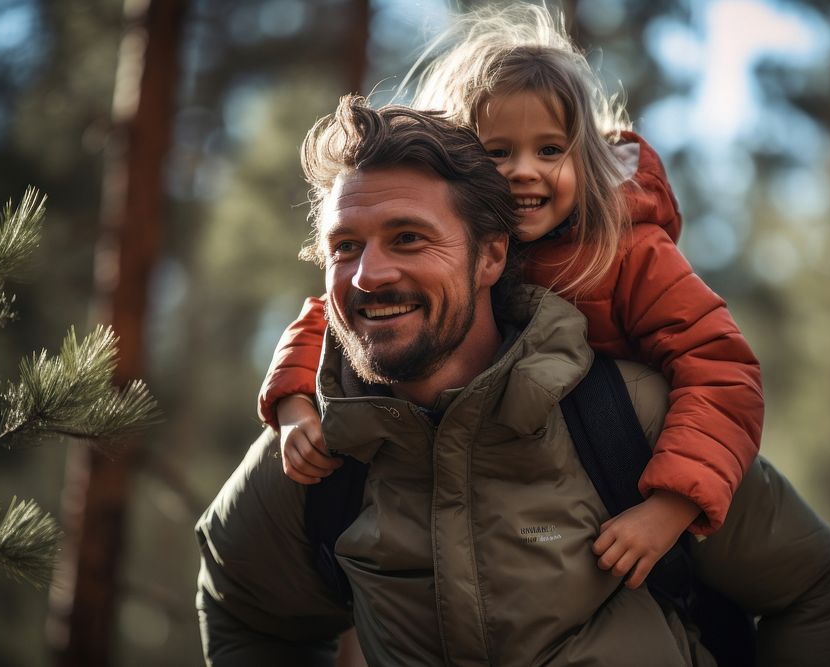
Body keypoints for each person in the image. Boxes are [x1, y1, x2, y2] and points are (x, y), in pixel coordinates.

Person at [196, 95, 830, 666]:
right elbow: (243, 606)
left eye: (407, 238)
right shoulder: (314, 451)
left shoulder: (632, 419)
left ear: (490, 256)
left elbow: (808, 584)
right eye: (346, 246)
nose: (369, 274)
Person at [259, 4, 762, 589]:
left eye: (550, 151)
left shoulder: (629, 251)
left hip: (618, 467)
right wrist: (294, 407)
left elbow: (722, 369)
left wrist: (669, 507)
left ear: (587, 157)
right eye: (498, 152)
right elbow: (336, 315)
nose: (525, 171)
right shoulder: (442, 251)